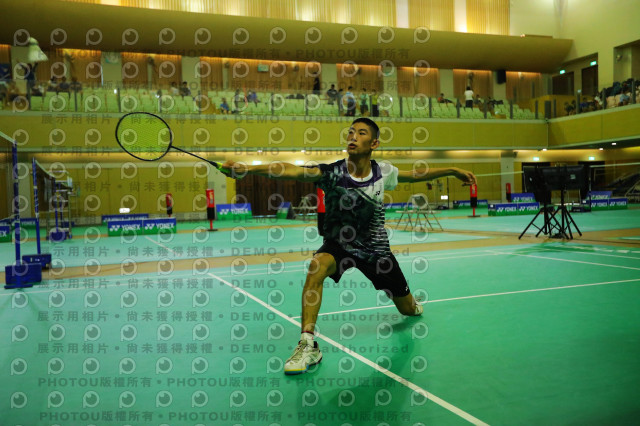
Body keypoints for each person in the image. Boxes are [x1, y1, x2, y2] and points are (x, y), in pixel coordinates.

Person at [220, 118, 476, 374]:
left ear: (374, 143)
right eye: (351, 132)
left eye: (361, 133)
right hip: (339, 245)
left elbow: (413, 176)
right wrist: (246, 169)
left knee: (408, 310)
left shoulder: (384, 172)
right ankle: (308, 344)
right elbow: (291, 170)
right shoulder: (332, 173)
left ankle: (411, 301)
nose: (353, 136)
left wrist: (451, 170)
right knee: (316, 267)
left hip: (376, 251)